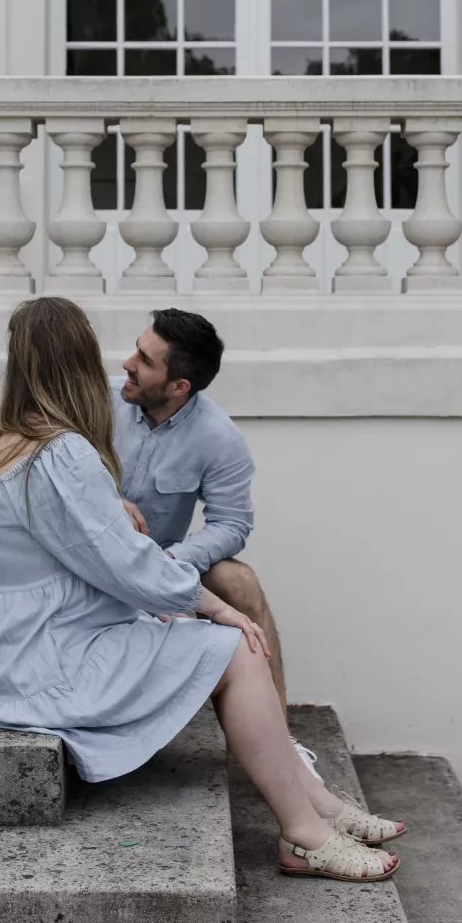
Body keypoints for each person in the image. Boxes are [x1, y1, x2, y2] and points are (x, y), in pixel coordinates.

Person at [0, 296, 405, 881]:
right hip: (43, 659)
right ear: (77, 361)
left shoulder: (1, 432)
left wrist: (116, 518)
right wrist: (214, 608)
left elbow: (84, 528)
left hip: (11, 646)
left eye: (143, 358)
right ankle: (302, 835)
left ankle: (317, 804)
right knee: (238, 649)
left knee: (222, 603)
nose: (122, 364)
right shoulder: (64, 451)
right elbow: (125, 562)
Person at [113, 308, 321, 773]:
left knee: (239, 581)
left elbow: (231, 524)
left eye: (144, 360)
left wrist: (171, 559)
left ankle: (278, 746)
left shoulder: (218, 437)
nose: (127, 363)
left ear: (178, 386)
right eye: (136, 348)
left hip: (156, 571)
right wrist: (106, 505)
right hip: (85, 561)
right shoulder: (96, 400)